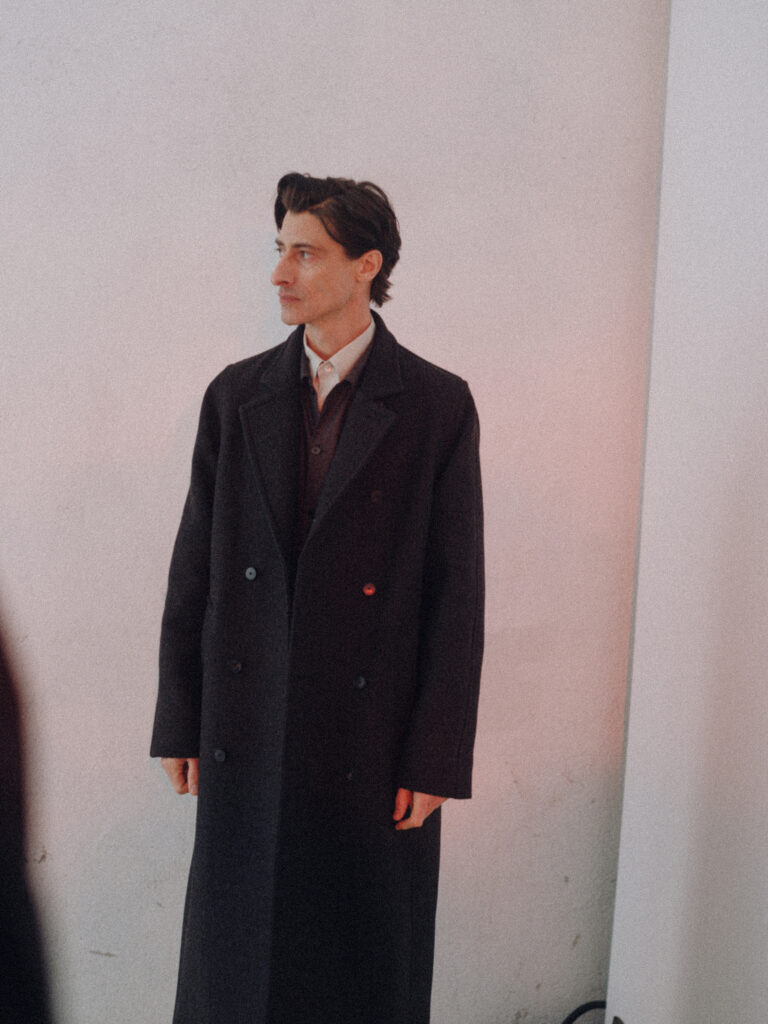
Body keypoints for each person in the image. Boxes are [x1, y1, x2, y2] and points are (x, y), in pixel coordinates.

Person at [151, 172, 484, 1024]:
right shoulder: (237, 395)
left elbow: (456, 594)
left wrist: (435, 757)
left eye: (305, 253)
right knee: (238, 956)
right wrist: (181, 717)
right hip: (248, 719)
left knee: (357, 961)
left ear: (367, 265)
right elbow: (195, 568)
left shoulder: (436, 405)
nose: (280, 273)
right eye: (281, 250)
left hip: (372, 734)